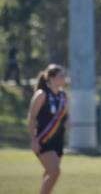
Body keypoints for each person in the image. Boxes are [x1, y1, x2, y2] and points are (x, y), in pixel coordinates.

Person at [26, 64, 68, 194]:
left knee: (49, 173)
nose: (63, 79)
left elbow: (65, 116)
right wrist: (33, 140)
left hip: (58, 140)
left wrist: (68, 122)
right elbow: (31, 118)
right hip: (43, 140)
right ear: (51, 78)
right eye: (61, 76)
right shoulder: (41, 95)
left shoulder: (62, 96)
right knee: (54, 172)